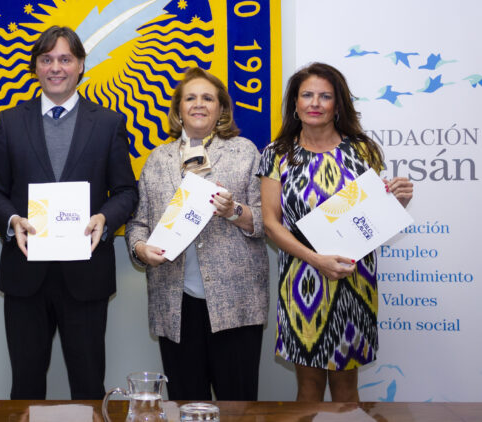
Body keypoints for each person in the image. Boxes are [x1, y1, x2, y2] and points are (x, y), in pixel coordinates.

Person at [0, 26, 137, 399]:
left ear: (81, 65)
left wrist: (105, 218)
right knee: (26, 387)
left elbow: (127, 191)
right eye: (46, 59)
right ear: (35, 67)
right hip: (25, 274)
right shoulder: (11, 120)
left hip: (86, 275)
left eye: (65, 59)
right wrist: (11, 220)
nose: (55, 68)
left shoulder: (109, 123)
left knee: (87, 386)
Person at [258, 62, 413, 402]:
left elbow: (373, 218)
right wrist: (316, 259)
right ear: (295, 104)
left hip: (352, 281)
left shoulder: (363, 150)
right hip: (303, 281)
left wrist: (397, 202)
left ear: (337, 104)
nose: (315, 103)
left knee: (346, 393)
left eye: (325, 96)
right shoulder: (277, 154)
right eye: (307, 95)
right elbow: (271, 223)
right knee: (308, 392)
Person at [124, 67, 269, 401]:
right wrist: (141, 249)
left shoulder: (244, 151)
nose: (199, 104)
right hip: (176, 305)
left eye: (208, 98)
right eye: (190, 98)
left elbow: (266, 221)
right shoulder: (157, 160)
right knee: (187, 405)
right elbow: (138, 224)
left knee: (238, 405)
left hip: (236, 303)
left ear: (221, 109)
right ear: (178, 109)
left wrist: (233, 211)